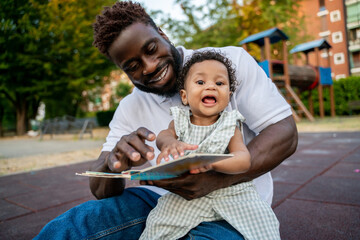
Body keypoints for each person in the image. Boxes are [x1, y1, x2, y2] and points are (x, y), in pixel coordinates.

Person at [35, 1, 298, 239]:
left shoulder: (227, 64)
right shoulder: (130, 107)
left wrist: (214, 180)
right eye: (132, 66)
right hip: (160, 203)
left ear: (162, 34)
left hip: (232, 205)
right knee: (73, 226)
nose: (148, 67)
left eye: (151, 49)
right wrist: (115, 163)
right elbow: (101, 189)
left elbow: (285, 133)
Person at [139, 50, 280, 240]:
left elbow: (243, 160)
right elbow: (163, 136)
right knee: (157, 223)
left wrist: (212, 163)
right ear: (184, 96)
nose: (211, 87)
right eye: (200, 82)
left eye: (219, 83)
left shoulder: (230, 124)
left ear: (228, 95)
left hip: (233, 194)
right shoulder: (180, 121)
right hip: (188, 196)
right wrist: (170, 143)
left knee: (265, 224)